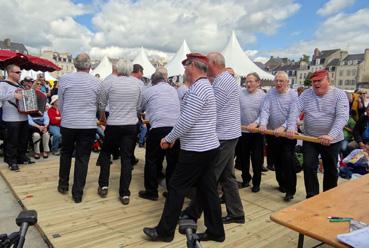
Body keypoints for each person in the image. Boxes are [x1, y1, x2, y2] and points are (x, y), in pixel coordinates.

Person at [143, 53, 225, 243]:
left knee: (176, 187)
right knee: (209, 191)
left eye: (186, 65)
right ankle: (216, 231)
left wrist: (169, 138)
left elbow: (187, 120)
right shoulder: (205, 87)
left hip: (197, 149)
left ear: (193, 66)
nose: (184, 70)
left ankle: (165, 231)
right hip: (207, 148)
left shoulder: (198, 89)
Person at [182, 52, 244, 224]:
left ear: (213, 64)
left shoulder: (221, 82)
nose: (203, 66)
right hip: (229, 134)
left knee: (209, 177)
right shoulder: (225, 80)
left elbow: (208, 110)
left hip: (224, 136)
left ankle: (192, 213)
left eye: (206, 63)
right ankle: (237, 213)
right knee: (227, 177)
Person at [295, 69, 349, 198]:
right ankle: (312, 197)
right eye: (314, 81)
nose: (316, 84)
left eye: (319, 81)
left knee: (330, 170)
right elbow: (294, 109)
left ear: (328, 80)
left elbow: (342, 117)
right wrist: (291, 125)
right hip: (310, 138)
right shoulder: (306, 94)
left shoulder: (339, 94)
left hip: (332, 140)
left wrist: (331, 135)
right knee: (308, 167)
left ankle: (327, 198)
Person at [57, 53, 102, 203]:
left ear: (75, 65)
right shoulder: (97, 82)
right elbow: (99, 105)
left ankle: (63, 184)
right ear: (89, 66)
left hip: (69, 123)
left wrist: (66, 116)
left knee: (66, 153)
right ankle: (77, 193)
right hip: (87, 124)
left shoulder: (64, 79)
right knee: (82, 158)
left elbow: (61, 104)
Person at [96, 59, 142, 205]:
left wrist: (103, 117)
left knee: (105, 153)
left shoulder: (109, 82)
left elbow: (102, 104)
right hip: (130, 124)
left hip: (114, 123)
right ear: (129, 70)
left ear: (117, 69)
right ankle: (124, 193)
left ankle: (103, 184)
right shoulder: (138, 84)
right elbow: (139, 106)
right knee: (126, 158)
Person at [138, 68, 180, 201]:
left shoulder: (149, 91)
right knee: (172, 161)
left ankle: (151, 191)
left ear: (153, 81)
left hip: (158, 128)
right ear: (164, 80)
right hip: (175, 128)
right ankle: (172, 191)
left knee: (152, 160)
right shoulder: (173, 90)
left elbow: (140, 108)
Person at [259, 71, 298, 202]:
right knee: (276, 161)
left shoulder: (293, 94)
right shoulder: (270, 93)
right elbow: (265, 110)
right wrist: (263, 123)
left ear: (287, 82)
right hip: (272, 133)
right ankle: (281, 184)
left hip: (288, 133)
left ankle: (290, 190)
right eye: (276, 81)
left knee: (287, 160)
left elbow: (293, 114)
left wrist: (284, 127)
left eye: (281, 81)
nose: (278, 83)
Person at [0, 65, 34, 171]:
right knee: (12, 141)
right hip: (11, 118)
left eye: (20, 72)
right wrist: (13, 95)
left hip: (23, 117)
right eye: (17, 72)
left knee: (23, 140)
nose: (20, 74)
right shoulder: (3, 84)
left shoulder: (19, 84)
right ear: (10, 72)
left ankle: (21, 157)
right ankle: (11, 161)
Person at [239, 72, 266, 192]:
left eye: (251, 81)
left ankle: (256, 183)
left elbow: (264, 113)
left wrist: (256, 123)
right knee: (243, 157)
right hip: (242, 131)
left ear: (258, 83)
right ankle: (245, 179)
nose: (248, 84)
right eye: (247, 81)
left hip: (256, 133)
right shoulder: (240, 93)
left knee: (257, 159)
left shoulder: (263, 95)